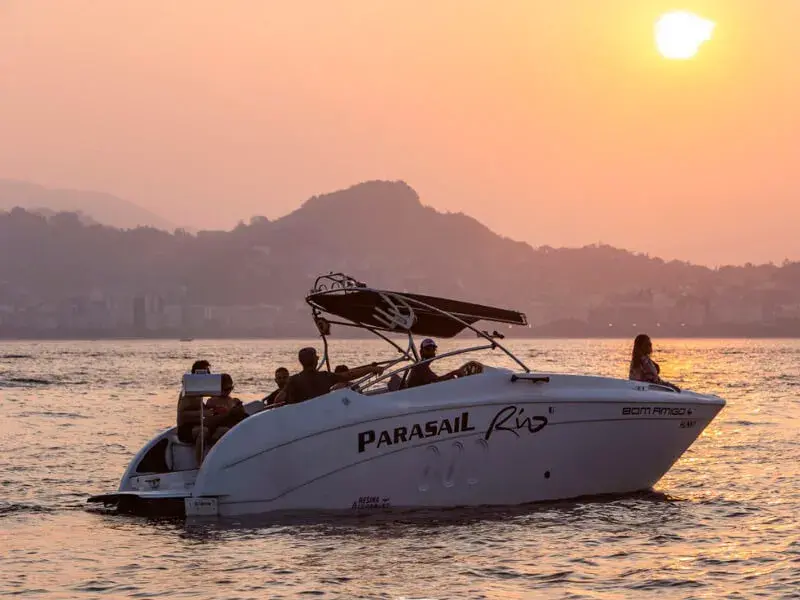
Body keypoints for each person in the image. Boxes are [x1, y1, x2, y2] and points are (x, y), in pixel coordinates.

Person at [276, 347, 384, 405]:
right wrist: (371, 369)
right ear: (314, 361)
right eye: (316, 357)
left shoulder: (293, 380)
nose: (318, 358)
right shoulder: (325, 376)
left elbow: (278, 399)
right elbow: (349, 375)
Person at [176, 359, 213, 464]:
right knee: (203, 431)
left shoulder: (198, 391)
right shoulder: (188, 393)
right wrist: (202, 414)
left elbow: (202, 408)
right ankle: (199, 463)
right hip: (185, 429)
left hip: (196, 426)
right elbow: (183, 415)